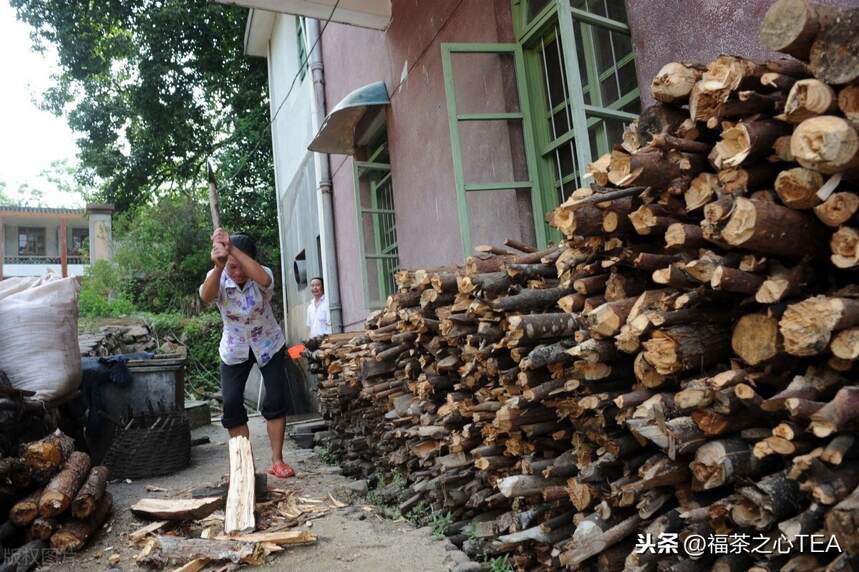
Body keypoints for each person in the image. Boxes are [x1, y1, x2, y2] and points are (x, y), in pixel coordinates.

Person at [199, 228, 295, 479]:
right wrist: (220, 266)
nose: (237, 272)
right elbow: (205, 297)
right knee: (231, 403)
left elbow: (263, 280)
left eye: (240, 265)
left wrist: (231, 250)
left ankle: (277, 460)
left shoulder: (261, 275)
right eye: (233, 267)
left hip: (268, 344)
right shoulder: (218, 275)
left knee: (275, 398)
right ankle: (245, 466)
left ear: (249, 259)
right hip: (234, 347)